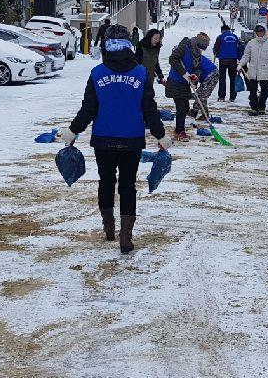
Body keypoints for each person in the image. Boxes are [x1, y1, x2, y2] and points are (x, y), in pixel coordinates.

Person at [63, 25, 172, 254]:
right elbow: (149, 109)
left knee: (106, 182)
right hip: (131, 139)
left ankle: (109, 226)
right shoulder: (141, 73)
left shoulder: (97, 74)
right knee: (127, 185)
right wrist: (160, 135)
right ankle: (126, 236)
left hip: (103, 139)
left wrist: (73, 131)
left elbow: (89, 109)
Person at [165, 31, 210, 140]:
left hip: (185, 84)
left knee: (185, 108)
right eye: (201, 47)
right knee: (181, 108)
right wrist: (184, 74)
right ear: (197, 44)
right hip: (175, 82)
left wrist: (195, 76)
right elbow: (172, 59)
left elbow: (197, 67)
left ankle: (178, 131)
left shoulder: (197, 53)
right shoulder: (183, 48)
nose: (201, 50)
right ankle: (180, 132)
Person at [239, 23, 268, 115]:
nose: (260, 34)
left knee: (264, 92)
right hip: (253, 71)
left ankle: (262, 107)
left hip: (266, 71)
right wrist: (241, 64)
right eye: (258, 32)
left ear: (265, 31)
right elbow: (246, 56)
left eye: (261, 32)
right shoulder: (251, 43)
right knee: (253, 91)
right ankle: (254, 108)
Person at [213, 24, 241, 101]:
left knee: (222, 78)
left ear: (222, 30)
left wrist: (215, 53)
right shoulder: (235, 37)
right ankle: (232, 97)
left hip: (223, 60)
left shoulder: (220, 37)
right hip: (233, 60)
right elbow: (239, 48)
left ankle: (222, 96)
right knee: (233, 78)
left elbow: (216, 48)